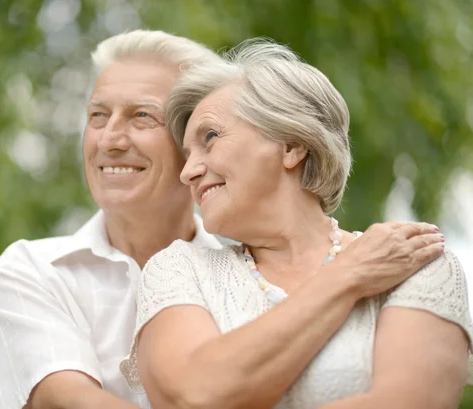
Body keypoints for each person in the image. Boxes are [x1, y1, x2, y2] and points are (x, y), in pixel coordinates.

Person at [0, 30, 449, 409]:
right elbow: (84, 402)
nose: (110, 138)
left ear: (291, 144)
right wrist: (348, 275)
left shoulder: (407, 258)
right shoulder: (42, 271)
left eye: (143, 117)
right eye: (97, 116)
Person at [120, 39, 473, 409]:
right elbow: (193, 396)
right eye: (187, 155)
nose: (187, 173)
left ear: (291, 144)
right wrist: (347, 277)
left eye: (210, 138)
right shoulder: (178, 270)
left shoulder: (415, 264)